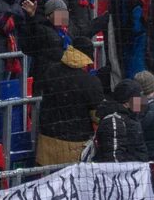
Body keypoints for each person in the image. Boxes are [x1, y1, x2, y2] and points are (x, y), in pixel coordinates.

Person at [33, 35, 103, 165]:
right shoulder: (90, 82)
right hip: (75, 147)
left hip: (46, 143)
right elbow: (98, 116)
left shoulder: (51, 71)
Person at [93, 80, 148, 162]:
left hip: (138, 171)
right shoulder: (113, 121)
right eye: (138, 98)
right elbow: (113, 159)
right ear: (126, 102)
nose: (142, 101)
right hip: (128, 172)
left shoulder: (132, 117)